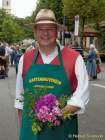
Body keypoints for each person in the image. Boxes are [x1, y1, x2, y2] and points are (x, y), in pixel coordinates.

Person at [14, 9, 89, 140]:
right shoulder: (24, 59)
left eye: (50, 28)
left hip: (63, 131)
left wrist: (56, 114)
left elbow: (82, 95)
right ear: (35, 32)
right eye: (40, 29)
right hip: (31, 133)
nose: (45, 33)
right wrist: (24, 132)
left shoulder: (75, 58)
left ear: (57, 31)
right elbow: (20, 100)